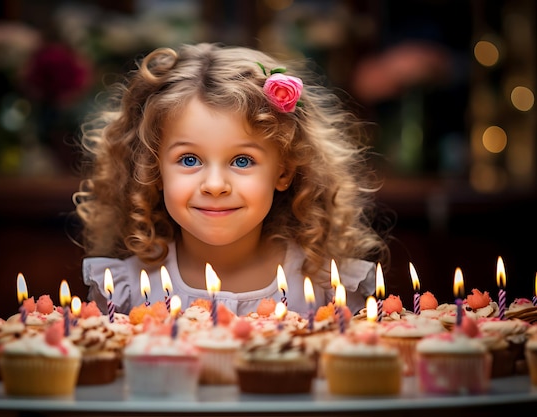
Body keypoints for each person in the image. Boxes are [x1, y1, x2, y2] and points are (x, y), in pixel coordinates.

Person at [73, 42, 390, 317]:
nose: (214, 185)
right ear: (152, 170)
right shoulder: (123, 290)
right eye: (189, 159)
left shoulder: (328, 287)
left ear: (284, 171)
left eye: (242, 160)